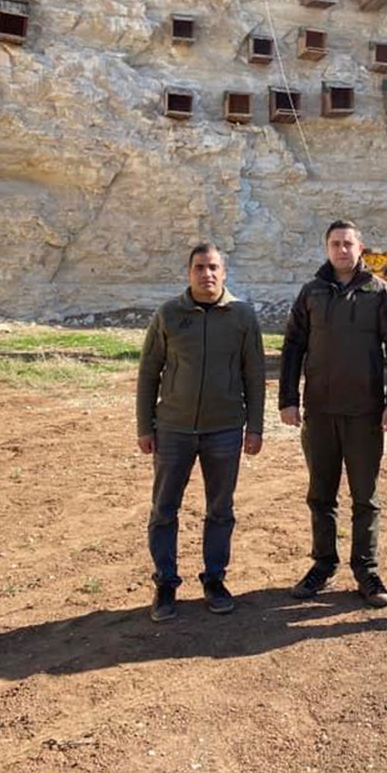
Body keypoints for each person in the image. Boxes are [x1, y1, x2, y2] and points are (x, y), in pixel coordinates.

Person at [279, 220, 387, 608]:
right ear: (326, 248)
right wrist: (289, 398)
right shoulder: (311, 293)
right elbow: (292, 347)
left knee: (365, 498)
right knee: (321, 494)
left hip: (365, 413)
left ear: (361, 248)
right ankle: (322, 565)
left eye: (348, 243)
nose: (341, 250)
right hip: (319, 412)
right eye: (335, 244)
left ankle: (366, 570)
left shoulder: (380, 293)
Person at [136, 242, 265, 622]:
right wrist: (145, 426)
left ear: (223, 273)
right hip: (173, 430)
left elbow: (254, 375)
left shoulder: (242, 316)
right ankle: (165, 584)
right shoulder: (169, 315)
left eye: (213, 267)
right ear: (188, 272)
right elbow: (149, 373)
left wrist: (254, 427)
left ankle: (214, 580)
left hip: (224, 430)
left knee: (220, 510)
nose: (206, 274)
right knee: (164, 510)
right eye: (199, 267)